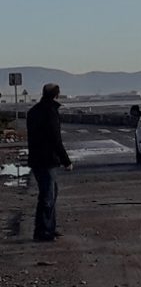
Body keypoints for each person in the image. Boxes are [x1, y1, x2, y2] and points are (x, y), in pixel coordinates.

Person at [27, 83, 73, 242]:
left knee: (50, 194)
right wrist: (66, 161)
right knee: (48, 196)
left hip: (36, 159)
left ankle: (49, 228)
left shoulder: (33, 112)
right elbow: (55, 139)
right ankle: (43, 232)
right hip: (47, 160)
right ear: (56, 95)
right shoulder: (50, 112)